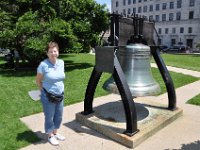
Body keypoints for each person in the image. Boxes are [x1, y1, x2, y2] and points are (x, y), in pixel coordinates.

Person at [36, 42, 66, 145]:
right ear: (47, 53)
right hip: (48, 96)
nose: (53, 53)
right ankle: (50, 135)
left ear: (58, 51)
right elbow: (38, 81)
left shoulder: (61, 63)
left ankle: (55, 132)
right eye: (51, 51)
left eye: (55, 51)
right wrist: (43, 92)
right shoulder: (43, 65)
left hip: (60, 94)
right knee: (49, 116)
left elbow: (60, 78)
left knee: (59, 115)